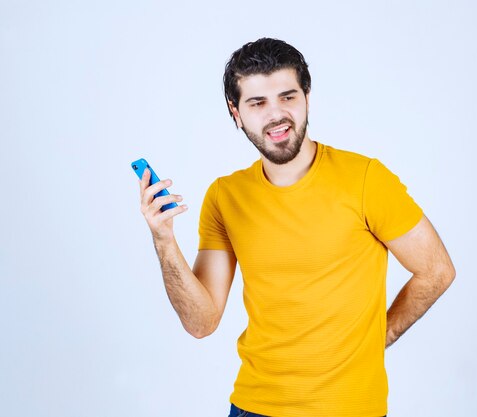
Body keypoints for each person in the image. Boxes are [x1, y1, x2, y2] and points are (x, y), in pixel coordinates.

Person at [138, 38, 456, 417]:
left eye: (288, 97)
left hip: (350, 409)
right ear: (235, 112)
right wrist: (164, 239)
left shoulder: (367, 179)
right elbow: (201, 322)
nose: (276, 115)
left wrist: (380, 335)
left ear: (307, 97)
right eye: (257, 103)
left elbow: (437, 270)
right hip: (253, 408)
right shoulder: (225, 196)